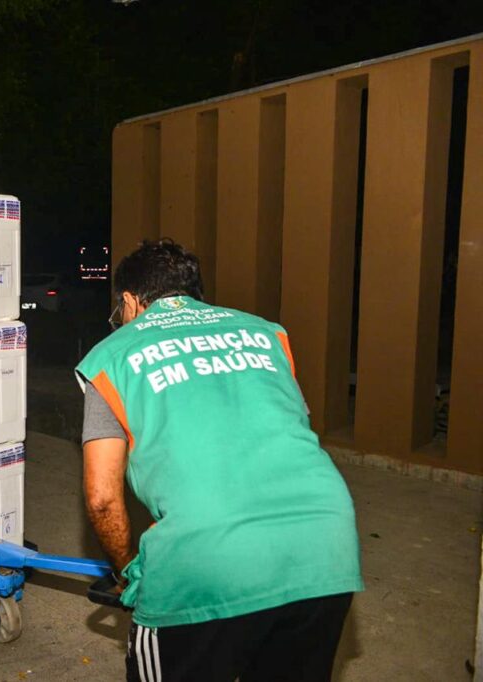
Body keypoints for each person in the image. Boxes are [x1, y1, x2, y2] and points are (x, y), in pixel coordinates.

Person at [76, 239, 363, 682]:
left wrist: (126, 570)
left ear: (131, 301)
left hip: (206, 563)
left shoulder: (113, 356)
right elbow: (290, 429)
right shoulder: (267, 333)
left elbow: (101, 499)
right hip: (324, 546)